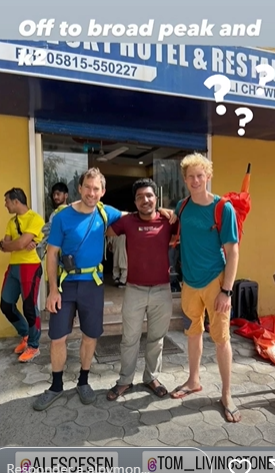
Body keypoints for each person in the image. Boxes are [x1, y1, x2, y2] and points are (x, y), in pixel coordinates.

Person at [32, 168, 125, 411]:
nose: (91, 193)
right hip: (65, 285)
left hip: (92, 286)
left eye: (96, 189)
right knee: (57, 337)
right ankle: (56, 385)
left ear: (102, 192)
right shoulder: (63, 216)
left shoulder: (106, 213)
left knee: (90, 335)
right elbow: (51, 255)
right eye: (87, 187)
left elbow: (136, 215)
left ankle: (83, 381)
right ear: (80, 188)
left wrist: (165, 211)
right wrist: (53, 290)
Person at [170, 153, 241, 423]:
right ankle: (193, 380)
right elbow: (173, 225)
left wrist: (227, 290)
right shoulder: (183, 206)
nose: (196, 180)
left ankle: (226, 394)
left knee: (222, 339)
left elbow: (233, 252)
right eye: (191, 176)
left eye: (201, 175)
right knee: (193, 332)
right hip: (189, 283)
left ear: (208, 176)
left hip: (215, 282)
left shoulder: (223, 208)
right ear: (185, 179)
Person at [106, 178, 178, 401]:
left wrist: (171, 212)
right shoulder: (127, 222)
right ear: (135, 202)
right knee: (129, 338)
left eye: (149, 196)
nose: (145, 200)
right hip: (134, 290)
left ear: (156, 198)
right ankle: (125, 380)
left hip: (162, 290)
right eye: (140, 197)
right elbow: (106, 230)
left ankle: (151, 377)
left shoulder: (169, 221)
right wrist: (124, 213)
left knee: (157, 338)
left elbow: (185, 229)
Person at [0, 188, 45, 362]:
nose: (5, 205)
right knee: (6, 304)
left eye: (7, 201)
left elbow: (15, 244)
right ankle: (25, 333)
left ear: (16, 201)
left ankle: (34, 346)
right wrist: (15, 244)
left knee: (29, 307)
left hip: (30, 266)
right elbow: (6, 245)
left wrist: (13, 244)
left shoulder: (35, 218)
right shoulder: (12, 222)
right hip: (14, 267)